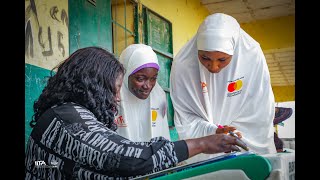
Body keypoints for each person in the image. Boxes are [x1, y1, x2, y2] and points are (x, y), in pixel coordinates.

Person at [25, 46, 248, 179]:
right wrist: (203, 144)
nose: (118, 98)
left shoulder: (62, 115)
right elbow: (126, 158)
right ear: (92, 86)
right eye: (113, 90)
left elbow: (52, 164)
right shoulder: (67, 119)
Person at [170, 13, 276, 163]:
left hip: (249, 141)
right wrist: (213, 131)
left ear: (236, 51)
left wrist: (235, 134)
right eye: (205, 58)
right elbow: (185, 117)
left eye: (222, 59)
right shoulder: (184, 64)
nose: (213, 67)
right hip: (203, 149)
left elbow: (260, 112)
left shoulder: (251, 56)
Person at [115, 44, 171, 142]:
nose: (148, 86)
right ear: (125, 73)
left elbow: (162, 134)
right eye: (140, 79)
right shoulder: (112, 96)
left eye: (153, 78)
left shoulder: (158, 97)